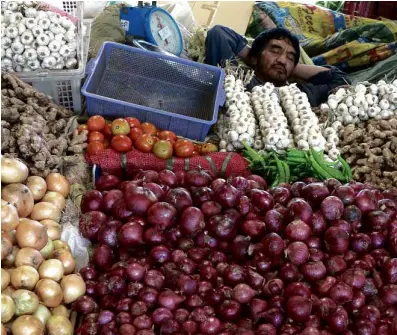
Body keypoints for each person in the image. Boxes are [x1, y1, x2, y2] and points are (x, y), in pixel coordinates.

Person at [205, 24, 350, 107]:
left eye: (290, 56)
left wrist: (292, 67)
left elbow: (341, 80)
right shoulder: (235, 79)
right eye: (275, 50)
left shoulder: (300, 94)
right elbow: (219, 33)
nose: (282, 60)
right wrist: (252, 57)